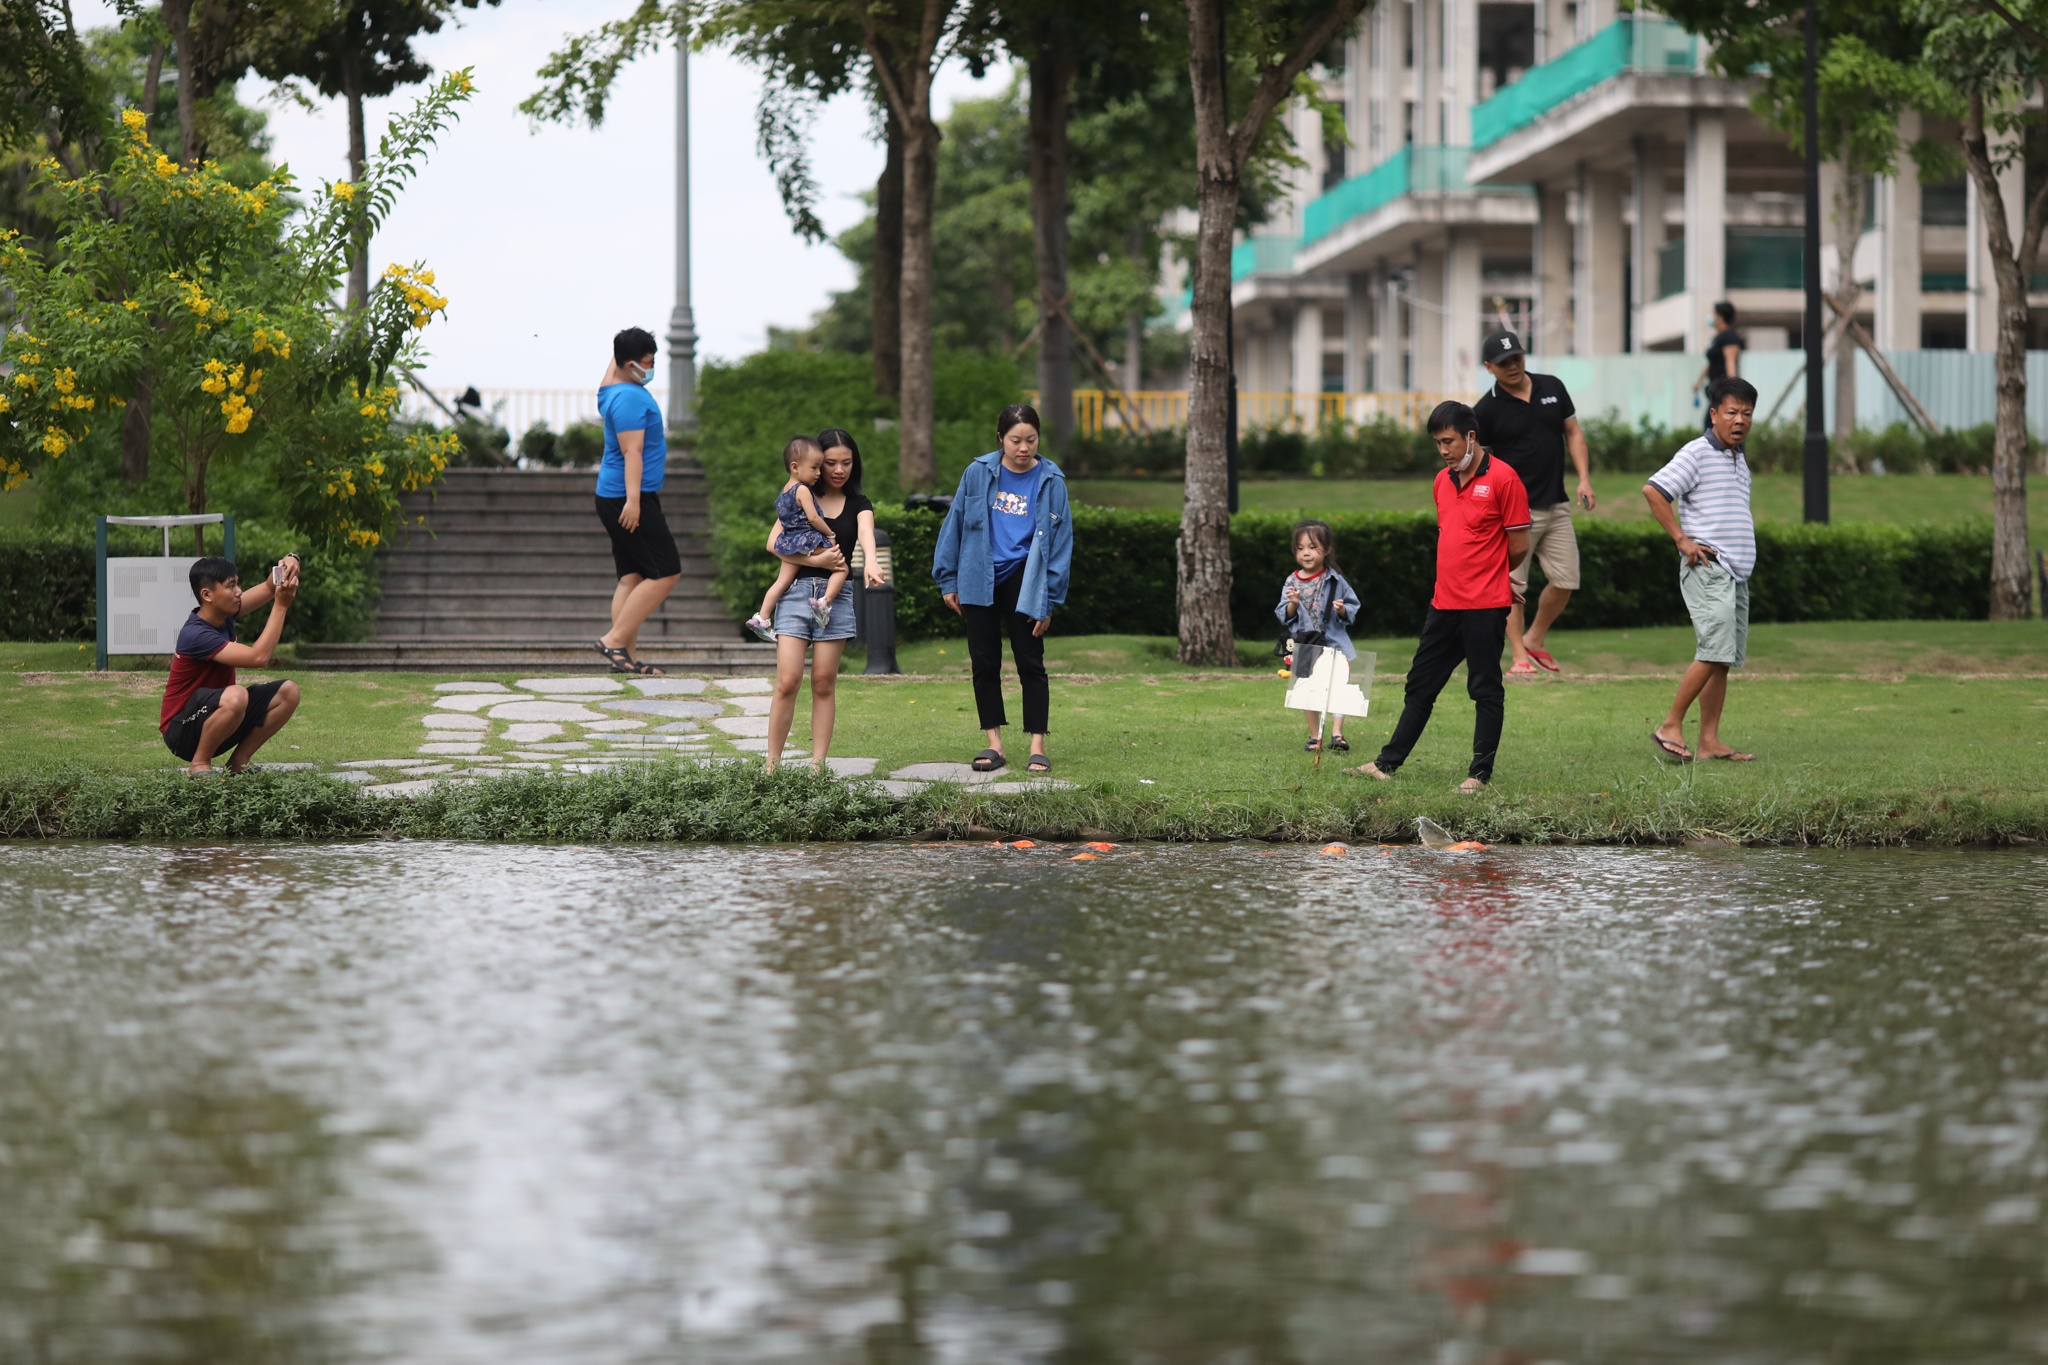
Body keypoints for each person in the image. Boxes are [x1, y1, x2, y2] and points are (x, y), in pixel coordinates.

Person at [1347, 401, 1529, 792]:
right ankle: (1385, 764)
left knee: (1484, 688)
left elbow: (1518, 545)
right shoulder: (1441, 481)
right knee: (1420, 686)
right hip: (1443, 604)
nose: (1444, 450)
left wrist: (1496, 575)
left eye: (1449, 441)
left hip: (1485, 606)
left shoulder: (1504, 479)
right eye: (1437, 443)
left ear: (1471, 437)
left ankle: (1478, 776)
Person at [932, 403, 1073, 775]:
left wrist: (1049, 599)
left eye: (1031, 439)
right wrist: (948, 577)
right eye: (1015, 440)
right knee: (984, 662)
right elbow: (955, 524)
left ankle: (1037, 745)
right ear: (1001, 439)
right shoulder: (977, 473)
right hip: (979, 574)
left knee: (1031, 661)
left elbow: (1061, 543)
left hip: (1026, 579)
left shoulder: (1052, 480)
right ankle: (994, 744)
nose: (1023, 447)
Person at [1645, 376, 1759, 763]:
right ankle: (1670, 726)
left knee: (1722, 656)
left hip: (1734, 571)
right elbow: (1655, 491)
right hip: (1708, 567)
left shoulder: (1738, 458)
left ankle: (1709, 741)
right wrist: (1681, 538)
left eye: (1746, 413)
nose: (1739, 420)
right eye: (1732, 412)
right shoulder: (1696, 452)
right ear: (1714, 415)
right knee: (1713, 649)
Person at [1472, 328, 1593, 676]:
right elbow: (1481, 465)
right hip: (1513, 515)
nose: (1513, 366)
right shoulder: (1486, 410)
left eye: (1518, 358)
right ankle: (1518, 657)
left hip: (1557, 505)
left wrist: (1584, 478)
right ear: (1489, 367)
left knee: (1567, 580)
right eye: (1504, 362)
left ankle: (1535, 639)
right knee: (1512, 588)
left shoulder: (1552, 386)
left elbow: (1573, 432)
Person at [762, 428, 884, 772]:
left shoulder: (859, 503)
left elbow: (866, 534)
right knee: (787, 681)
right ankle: (771, 765)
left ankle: (818, 766)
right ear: (814, 463)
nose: (839, 470)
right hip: (795, 594)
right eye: (830, 462)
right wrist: (816, 561)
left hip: (835, 598)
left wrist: (870, 560)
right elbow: (772, 543)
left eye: (847, 462)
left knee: (823, 683)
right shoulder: (800, 496)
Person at [159, 554, 304, 777]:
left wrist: (289, 562)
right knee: (236, 696)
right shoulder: (196, 634)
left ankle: (238, 763)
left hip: (219, 716)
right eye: (231, 586)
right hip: (182, 729)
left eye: (237, 583)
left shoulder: (223, 614)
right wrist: (281, 606)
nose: (239, 591)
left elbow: (268, 587)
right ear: (207, 595)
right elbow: (259, 658)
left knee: (289, 692)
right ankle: (199, 766)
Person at [592, 326, 678, 676]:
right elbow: (633, 452)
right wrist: (633, 502)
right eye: (647, 362)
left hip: (618, 495)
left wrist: (626, 343)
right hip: (628, 496)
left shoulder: (611, 387)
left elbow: (614, 363)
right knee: (666, 572)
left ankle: (623, 658)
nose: (651, 367)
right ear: (628, 363)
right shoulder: (628, 398)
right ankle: (613, 640)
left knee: (631, 576)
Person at [745, 437, 847, 639]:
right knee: (842, 568)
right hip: (808, 540)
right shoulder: (802, 490)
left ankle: (762, 617)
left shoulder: (784, 492)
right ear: (795, 467)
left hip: (789, 542)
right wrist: (830, 534)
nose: (819, 473)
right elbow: (814, 517)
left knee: (782, 581)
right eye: (815, 468)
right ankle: (823, 604)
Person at [1277, 519, 1362, 753]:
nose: (1306, 553)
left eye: (1312, 547)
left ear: (1326, 550)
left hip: (1334, 642)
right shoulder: (1291, 581)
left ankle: (1337, 733)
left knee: (1338, 687)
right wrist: (1293, 604)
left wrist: (1342, 609)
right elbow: (1284, 614)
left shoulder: (1336, 580)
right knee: (1307, 688)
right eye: (1300, 548)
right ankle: (1315, 737)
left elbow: (1353, 606)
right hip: (1305, 643)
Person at [1692, 301, 1744, 424]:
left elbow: (1730, 362)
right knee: (1713, 428)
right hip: (1716, 391)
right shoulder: (1718, 338)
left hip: (1723, 392)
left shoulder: (1729, 337)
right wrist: (1698, 382)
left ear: (1720, 317)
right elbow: (1712, 363)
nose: (1711, 317)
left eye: (1713, 314)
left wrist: (1732, 390)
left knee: (1717, 429)